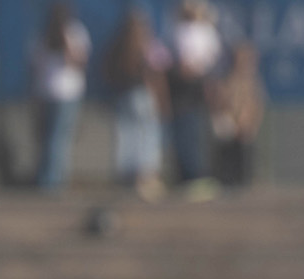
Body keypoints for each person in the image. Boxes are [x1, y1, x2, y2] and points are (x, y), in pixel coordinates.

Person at [104, 9, 170, 200]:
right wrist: (162, 100)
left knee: (126, 136)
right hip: (142, 95)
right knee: (147, 135)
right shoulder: (148, 45)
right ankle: (145, 177)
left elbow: (107, 71)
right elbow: (158, 74)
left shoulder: (118, 46)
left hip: (123, 95)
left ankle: (127, 176)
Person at [30, 2, 91, 190]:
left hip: (46, 91)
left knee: (50, 138)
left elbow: (33, 63)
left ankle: (48, 178)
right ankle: (53, 180)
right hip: (66, 93)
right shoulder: (73, 32)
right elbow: (80, 61)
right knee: (58, 138)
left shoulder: (43, 32)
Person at [167, 0, 222, 186]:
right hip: (182, 87)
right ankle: (187, 175)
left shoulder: (206, 31)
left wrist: (199, 70)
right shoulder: (178, 29)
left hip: (199, 85)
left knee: (197, 131)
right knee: (184, 130)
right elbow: (177, 60)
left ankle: (196, 175)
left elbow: (211, 58)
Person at [211, 42, 264, 188]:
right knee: (226, 145)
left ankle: (246, 179)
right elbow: (221, 102)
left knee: (245, 151)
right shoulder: (227, 78)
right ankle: (226, 178)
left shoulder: (252, 81)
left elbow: (255, 104)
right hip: (229, 121)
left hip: (245, 122)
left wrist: (246, 120)